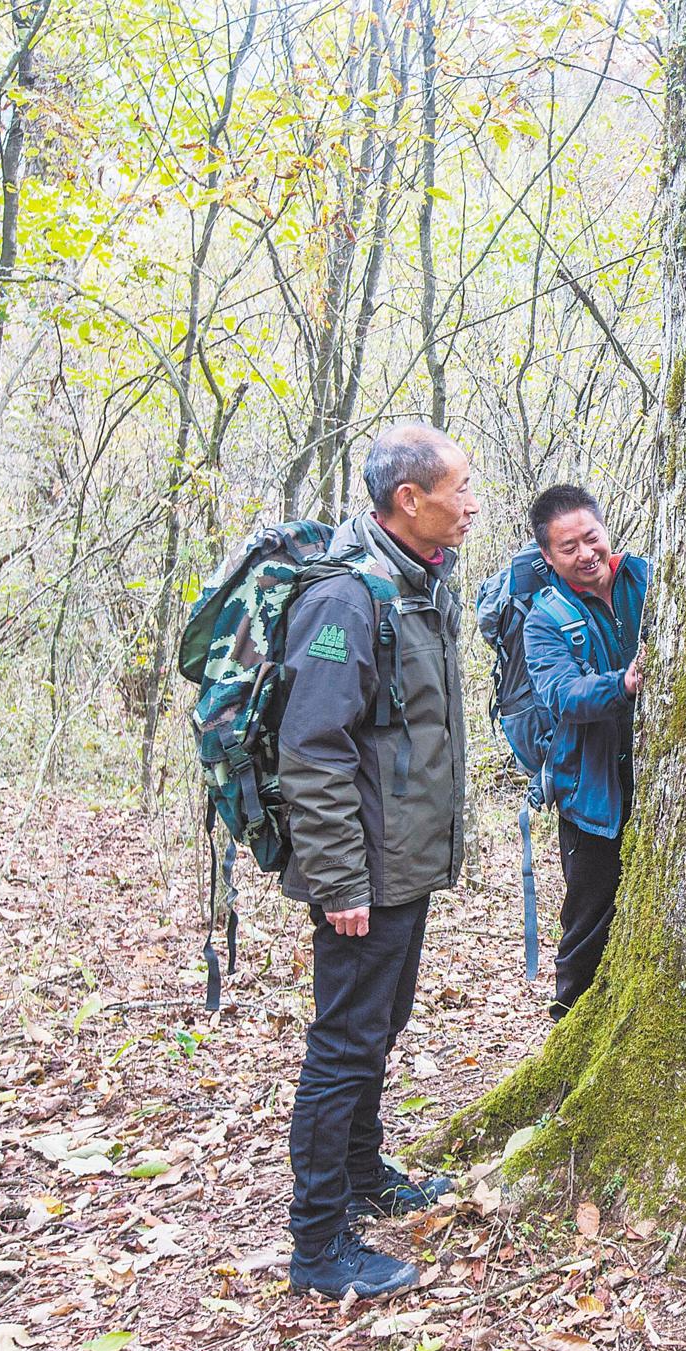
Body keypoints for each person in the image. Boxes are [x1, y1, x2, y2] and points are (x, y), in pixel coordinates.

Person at [279, 423, 478, 1299]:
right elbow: (312, 749)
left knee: (377, 1030)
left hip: (403, 862)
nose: (472, 505)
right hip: (362, 871)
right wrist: (339, 882)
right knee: (344, 1046)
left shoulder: (418, 582)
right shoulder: (345, 599)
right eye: (460, 489)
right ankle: (318, 1244)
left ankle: (362, 1174)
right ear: (409, 499)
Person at [520, 484, 649, 1019]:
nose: (585, 554)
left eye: (591, 538)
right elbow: (562, 694)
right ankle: (569, 1022)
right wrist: (623, 684)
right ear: (547, 556)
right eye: (568, 547)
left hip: (657, 784)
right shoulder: (544, 618)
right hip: (590, 795)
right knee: (589, 920)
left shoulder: (644, 579)